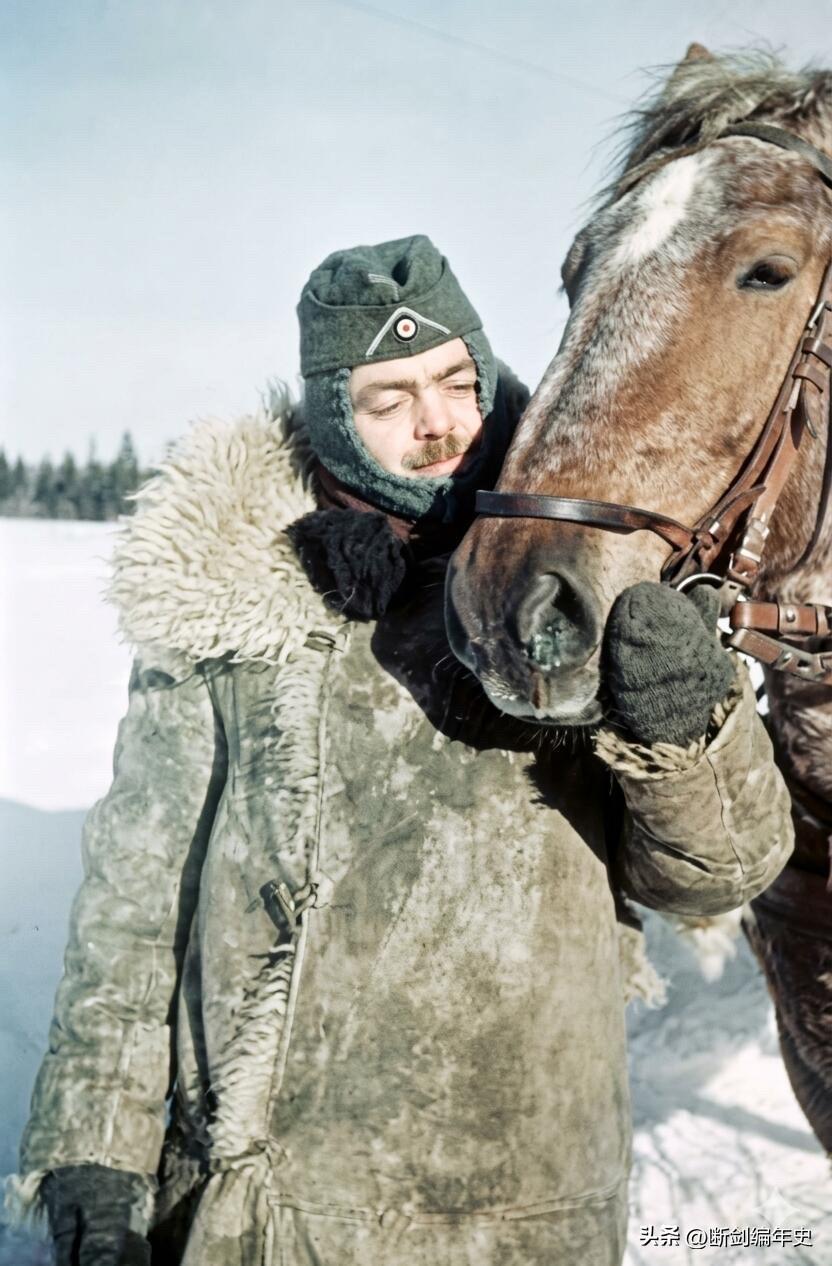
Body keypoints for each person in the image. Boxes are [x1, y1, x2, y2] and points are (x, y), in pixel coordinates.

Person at [8, 235, 793, 1265]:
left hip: (523, 1206)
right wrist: (94, 1151)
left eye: (457, 382)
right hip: (268, 1207)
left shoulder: (572, 588)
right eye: (390, 401)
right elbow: (136, 903)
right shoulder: (228, 602)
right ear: (335, 419)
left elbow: (714, 878)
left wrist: (688, 732)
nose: (440, 424)